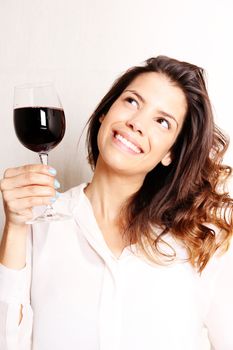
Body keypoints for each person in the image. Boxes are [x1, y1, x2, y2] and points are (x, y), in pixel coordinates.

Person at [0, 55, 232, 350]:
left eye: (162, 122)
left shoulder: (204, 241)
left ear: (170, 153)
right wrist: (16, 226)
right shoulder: (40, 225)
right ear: (105, 113)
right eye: (132, 102)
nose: (136, 123)